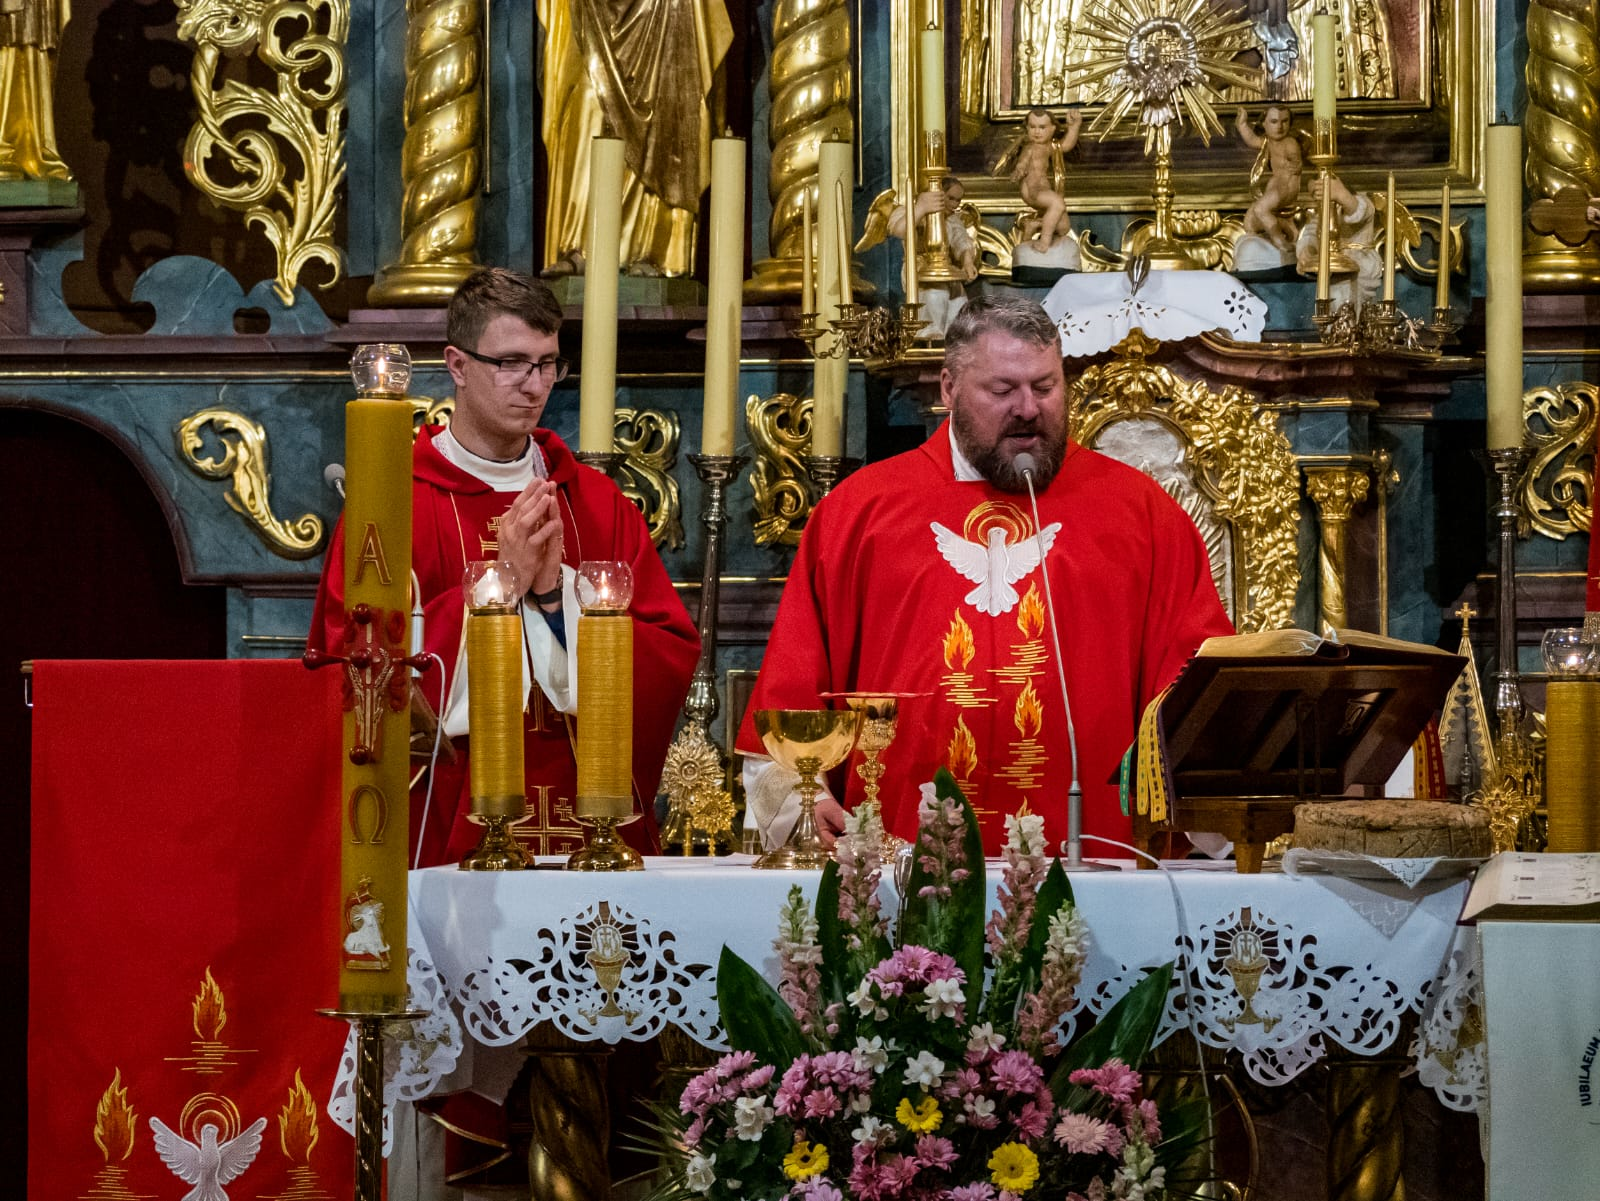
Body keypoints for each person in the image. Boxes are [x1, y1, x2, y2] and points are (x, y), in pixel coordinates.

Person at [737, 295, 1232, 854]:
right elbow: (793, 696)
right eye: (1002, 390)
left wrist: (1220, 808)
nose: (1028, 408)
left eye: (1045, 387)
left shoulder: (1138, 512)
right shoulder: (861, 512)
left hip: (1094, 860)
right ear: (949, 388)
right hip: (898, 867)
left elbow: (1197, 694)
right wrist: (802, 803)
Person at [310, 267, 699, 866]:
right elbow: (352, 666)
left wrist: (556, 595)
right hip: (444, 827)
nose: (534, 385)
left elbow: (668, 652)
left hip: (590, 827)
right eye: (512, 363)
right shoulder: (391, 506)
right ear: (457, 365)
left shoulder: (595, 503)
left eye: (547, 364)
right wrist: (501, 586)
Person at [997, 107, 1082, 254]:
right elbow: (1023, 162)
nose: (1037, 132)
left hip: (1043, 188)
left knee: (1063, 227)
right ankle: (1044, 241)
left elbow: (1065, 145)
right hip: (1032, 188)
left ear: (1053, 129)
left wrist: (1074, 127)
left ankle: (1033, 225)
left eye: (1042, 127)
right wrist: (1019, 170)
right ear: (1027, 128)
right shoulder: (1030, 148)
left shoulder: (1048, 146)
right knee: (1057, 204)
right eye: (1032, 127)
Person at [1237, 105, 1302, 254]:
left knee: (1261, 209)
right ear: (1264, 124)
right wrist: (1242, 124)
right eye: (1274, 121)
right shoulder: (1268, 141)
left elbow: (1296, 162)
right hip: (1276, 185)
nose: (1279, 126)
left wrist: (1295, 164)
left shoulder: (1289, 143)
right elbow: (1252, 140)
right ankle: (1284, 227)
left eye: (1284, 121)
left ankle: (1281, 242)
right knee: (1249, 222)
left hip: (1286, 186)